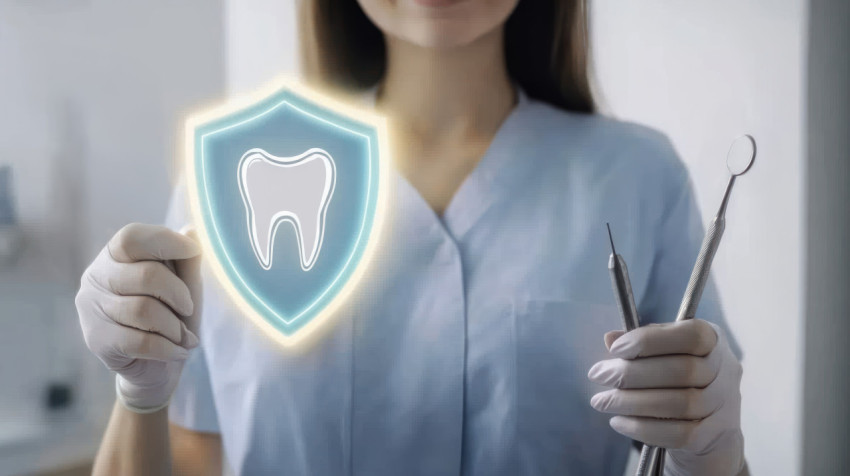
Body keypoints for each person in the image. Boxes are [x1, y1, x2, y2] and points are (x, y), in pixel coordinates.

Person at [74, 1, 748, 475]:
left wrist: (711, 450)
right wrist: (142, 393)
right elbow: (192, 456)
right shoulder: (234, 178)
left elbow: (696, 446)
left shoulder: (637, 177)